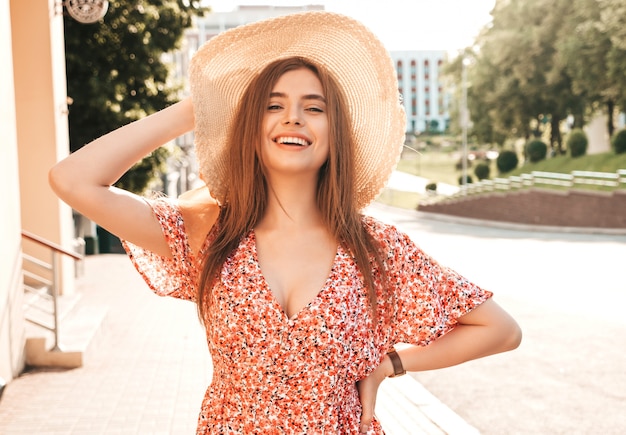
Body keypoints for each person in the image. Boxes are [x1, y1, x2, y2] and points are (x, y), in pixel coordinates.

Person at [49, 11, 521, 435]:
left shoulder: (376, 248)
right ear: (251, 128)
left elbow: (500, 329)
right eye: (272, 106)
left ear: (335, 135)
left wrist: (389, 364)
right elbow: (73, 180)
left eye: (314, 108)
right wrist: (200, 110)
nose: (292, 117)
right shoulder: (208, 236)